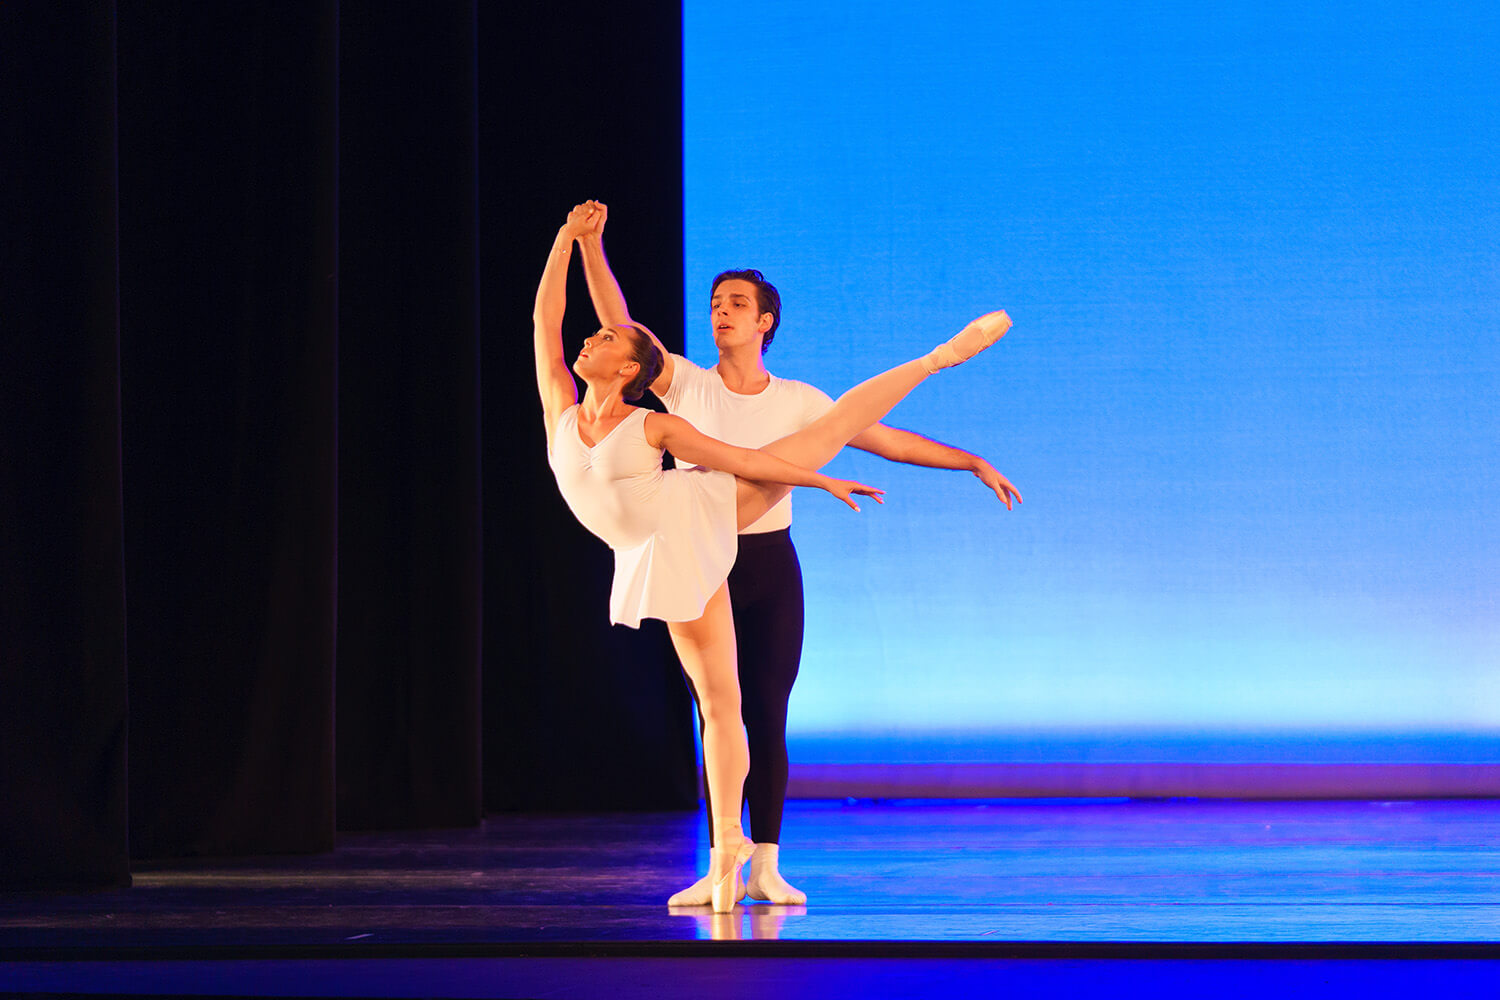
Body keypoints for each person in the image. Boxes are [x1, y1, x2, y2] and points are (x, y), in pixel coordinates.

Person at [536, 203, 1011, 912]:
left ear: (765, 322)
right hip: (686, 543)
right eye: (715, 303)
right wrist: (586, 245)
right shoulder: (677, 385)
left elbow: (876, 440)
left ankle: (758, 861)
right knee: (717, 708)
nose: (721, 313)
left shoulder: (789, 399)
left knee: (759, 709)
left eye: (737, 304)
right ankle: (723, 859)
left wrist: (966, 460)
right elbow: (614, 327)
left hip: (751, 545)